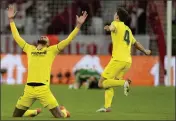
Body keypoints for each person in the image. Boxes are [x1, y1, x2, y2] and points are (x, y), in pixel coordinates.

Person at [7, 4, 88, 118]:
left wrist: (78, 25)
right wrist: (11, 19)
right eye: (43, 36)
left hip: (43, 90)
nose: (44, 36)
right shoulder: (29, 48)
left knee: (59, 116)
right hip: (29, 89)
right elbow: (16, 36)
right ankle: (34, 112)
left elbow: (68, 39)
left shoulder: (51, 50)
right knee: (15, 116)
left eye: (47, 38)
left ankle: (64, 111)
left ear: (48, 44)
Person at [96, 7, 151, 112]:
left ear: (117, 17)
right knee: (110, 83)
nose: (114, 15)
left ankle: (124, 83)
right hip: (127, 62)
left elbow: (113, 27)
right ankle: (107, 107)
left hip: (118, 60)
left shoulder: (115, 23)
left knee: (101, 83)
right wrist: (145, 51)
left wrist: (108, 28)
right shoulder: (128, 30)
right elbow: (135, 43)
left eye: (115, 13)